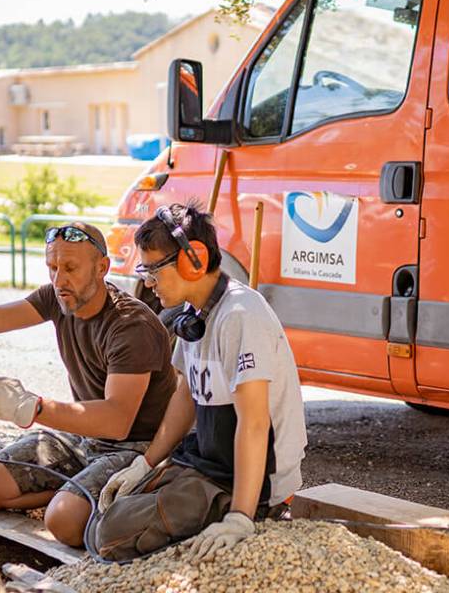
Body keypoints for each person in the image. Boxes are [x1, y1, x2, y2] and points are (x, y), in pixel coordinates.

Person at [0, 222, 176, 546]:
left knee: (64, 522)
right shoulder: (58, 297)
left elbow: (116, 420)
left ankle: (86, 497)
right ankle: (76, 492)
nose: (59, 279)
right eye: (52, 267)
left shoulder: (131, 326)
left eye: (70, 268)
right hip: (86, 436)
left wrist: (31, 407)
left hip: (137, 447)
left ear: (102, 268)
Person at [95, 203, 307, 563]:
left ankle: (242, 513)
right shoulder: (194, 315)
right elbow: (187, 395)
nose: (148, 282)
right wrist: (146, 464)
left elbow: (254, 424)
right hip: (209, 463)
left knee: (112, 534)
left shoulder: (240, 315)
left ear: (194, 260)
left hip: (244, 479)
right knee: (102, 515)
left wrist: (240, 516)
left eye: (154, 270)